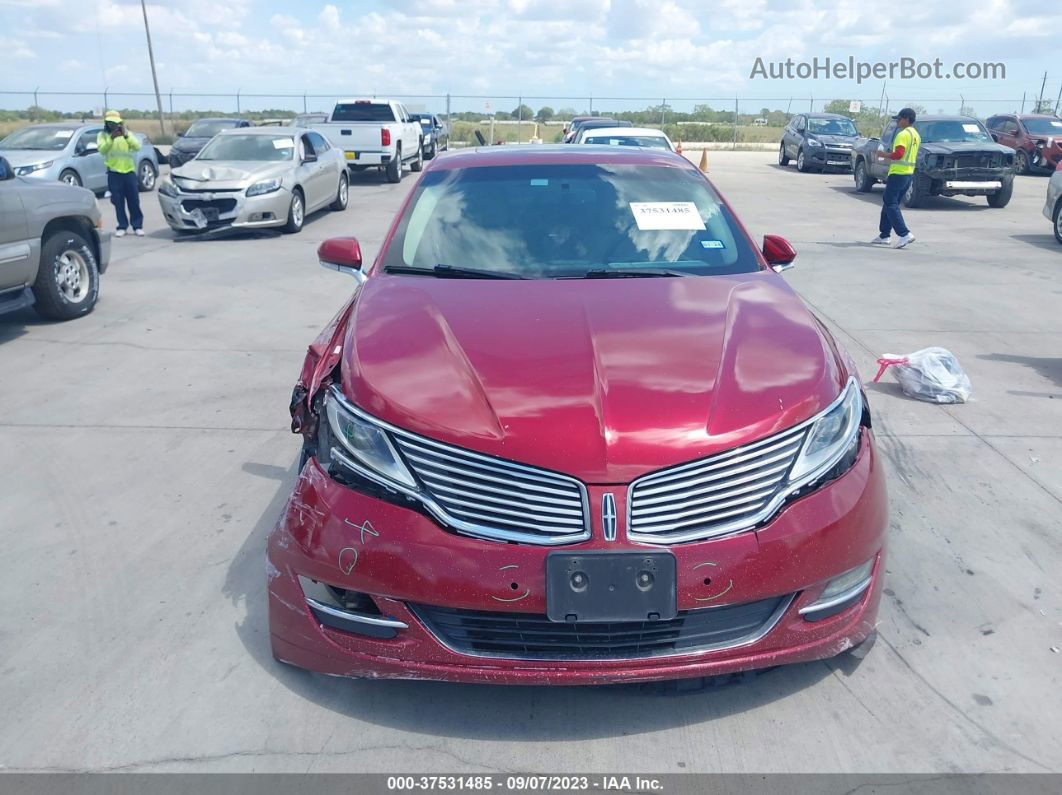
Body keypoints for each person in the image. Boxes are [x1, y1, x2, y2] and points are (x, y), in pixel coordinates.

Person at [871, 107, 920, 249]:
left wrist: (882, 155)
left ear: (906, 119)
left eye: (899, 118)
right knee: (889, 204)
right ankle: (884, 235)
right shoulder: (915, 134)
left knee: (890, 203)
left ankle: (904, 234)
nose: (897, 121)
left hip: (898, 173)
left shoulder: (903, 134)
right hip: (908, 174)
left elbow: (898, 154)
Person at [97, 111, 143, 237]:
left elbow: (137, 146)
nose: (113, 126)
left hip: (128, 172)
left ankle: (137, 226)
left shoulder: (127, 134)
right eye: (110, 123)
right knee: (118, 201)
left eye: (116, 123)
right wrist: (111, 138)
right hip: (114, 173)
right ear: (106, 123)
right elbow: (102, 149)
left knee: (134, 200)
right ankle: (122, 226)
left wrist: (126, 135)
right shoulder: (103, 135)